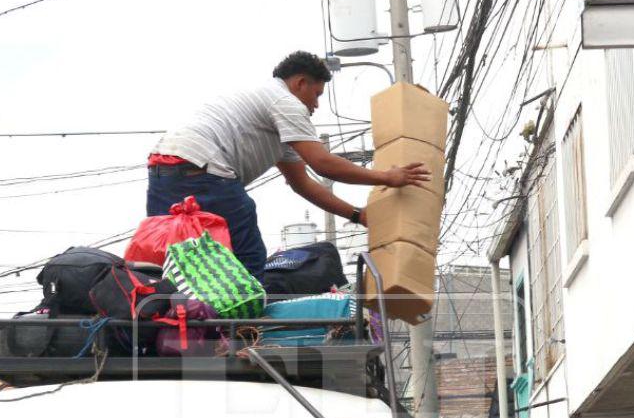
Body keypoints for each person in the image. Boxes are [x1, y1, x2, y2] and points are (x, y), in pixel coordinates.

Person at [148, 51, 430, 279]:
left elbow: (303, 184)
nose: (316, 105)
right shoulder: (286, 103)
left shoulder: (272, 115)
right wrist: (387, 177)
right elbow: (322, 164)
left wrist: (357, 215)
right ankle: (243, 335)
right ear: (300, 83)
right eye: (317, 94)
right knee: (248, 258)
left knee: (180, 259)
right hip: (203, 169)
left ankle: (180, 331)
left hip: (164, 170)